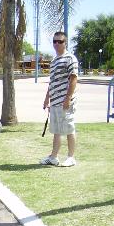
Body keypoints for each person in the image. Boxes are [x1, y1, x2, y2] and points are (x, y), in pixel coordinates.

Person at [40, 31, 78, 167]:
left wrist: (67, 98)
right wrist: (47, 99)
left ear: (65, 42)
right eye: (54, 41)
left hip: (65, 101)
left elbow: (73, 79)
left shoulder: (70, 58)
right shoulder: (54, 60)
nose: (57, 44)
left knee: (69, 128)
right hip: (55, 101)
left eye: (60, 41)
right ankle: (53, 157)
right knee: (56, 129)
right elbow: (52, 82)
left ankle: (71, 157)